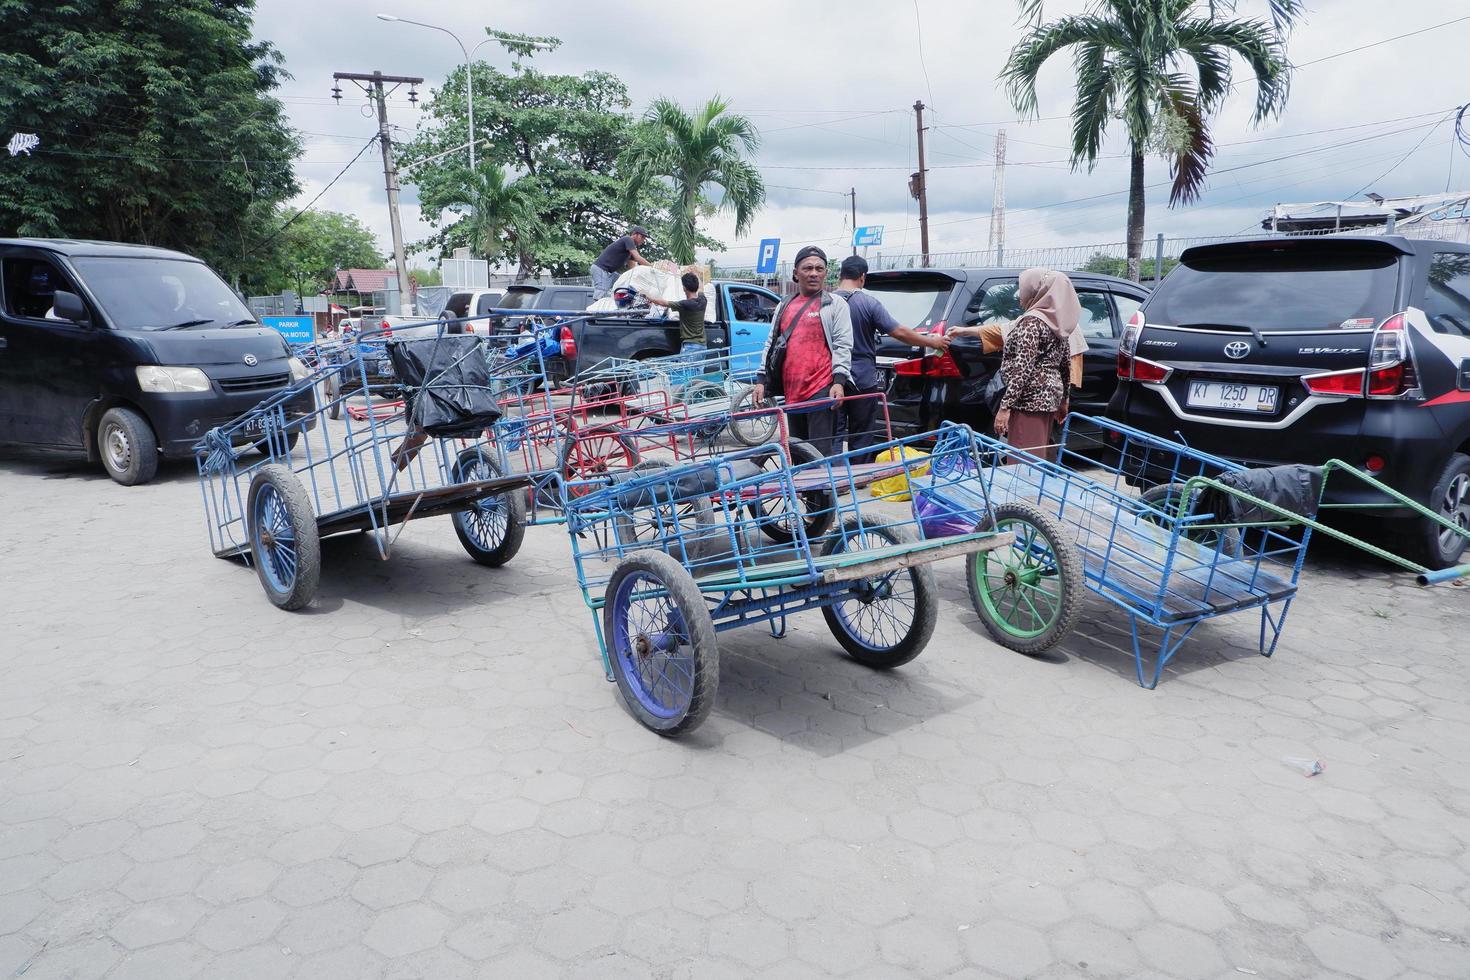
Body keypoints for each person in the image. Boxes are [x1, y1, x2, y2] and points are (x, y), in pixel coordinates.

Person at [832, 255, 950, 460]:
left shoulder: (826, 302)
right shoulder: (867, 303)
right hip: (862, 380)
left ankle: (831, 482)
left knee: (833, 432)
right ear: (862, 277)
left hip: (832, 379)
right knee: (861, 435)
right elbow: (899, 332)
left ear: (840, 275)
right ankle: (859, 478)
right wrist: (932, 342)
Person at [753, 245, 853, 456]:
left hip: (821, 388)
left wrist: (839, 382)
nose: (814, 273)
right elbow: (771, 343)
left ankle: (819, 490)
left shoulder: (835, 304)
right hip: (792, 390)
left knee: (818, 452)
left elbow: (843, 344)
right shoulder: (784, 304)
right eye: (807, 268)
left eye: (819, 268)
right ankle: (803, 489)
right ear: (796, 273)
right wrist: (761, 380)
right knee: (797, 449)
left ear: (826, 273)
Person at [985, 268, 1080, 462]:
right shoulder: (1056, 322)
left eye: (1023, 288)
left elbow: (1022, 368)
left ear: (1037, 291)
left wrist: (1005, 407)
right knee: (1037, 456)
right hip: (1048, 398)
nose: (1020, 294)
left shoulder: (1032, 322)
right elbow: (1064, 364)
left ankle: (1023, 494)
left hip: (1028, 400)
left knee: (1022, 462)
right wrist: (1064, 400)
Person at [641, 272, 708, 353]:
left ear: (684, 288)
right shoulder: (703, 300)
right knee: (699, 366)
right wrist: (696, 275)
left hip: (690, 346)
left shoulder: (684, 304)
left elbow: (663, 303)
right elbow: (701, 288)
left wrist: (647, 295)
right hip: (703, 346)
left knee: (686, 366)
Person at [590, 226, 652, 300]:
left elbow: (633, 267)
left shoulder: (631, 248)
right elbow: (638, 258)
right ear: (635, 234)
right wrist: (652, 267)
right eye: (642, 237)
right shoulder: (628, 239)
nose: (643, 240)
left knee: (624, 284)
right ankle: (595, 310)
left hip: (610, 273)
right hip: (601, 269)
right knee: (600, 294)